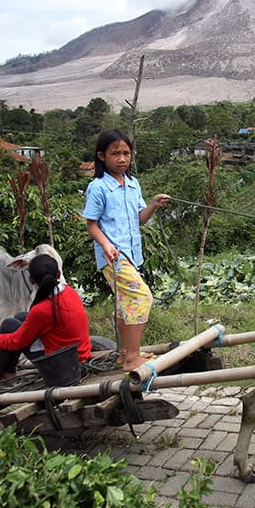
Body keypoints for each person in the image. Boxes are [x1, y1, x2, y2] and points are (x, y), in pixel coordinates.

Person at [82, 129, 171, 372]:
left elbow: (139, 219)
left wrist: (153, 204)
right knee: (141, 297)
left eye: (126, 153)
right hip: (113, 257)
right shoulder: (98, 187)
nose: (122, 158)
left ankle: (124, 354)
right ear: (102, 156)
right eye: (115, 153)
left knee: (124, 304)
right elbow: (91, 224)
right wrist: (106, 244)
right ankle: (133, 357)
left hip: (132, 255)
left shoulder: (133, 185)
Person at [0, 254, 91, 393]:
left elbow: (17, 341)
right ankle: (8, 373)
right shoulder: (69, 292)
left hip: (60, 363)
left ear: (31, 280)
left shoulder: (42, 309)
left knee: (9, 325)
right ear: (59, 274)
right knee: (21, 317)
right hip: (78, 353)